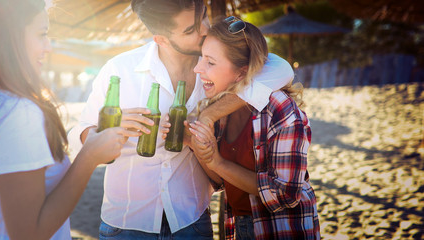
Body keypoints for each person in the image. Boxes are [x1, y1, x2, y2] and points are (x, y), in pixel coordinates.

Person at [67, 0, 294, 239]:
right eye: (190, 30)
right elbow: (80, 134)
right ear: (161, 39)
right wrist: (110, 128)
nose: (205, 30)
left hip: (192, 221)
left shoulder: (216, 68)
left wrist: (209, 115)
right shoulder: (119, 69)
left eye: (204, 17)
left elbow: (281, 69)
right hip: (126, 223)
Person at [0, 0, 142, 239]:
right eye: (42, 34)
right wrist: (88, 156)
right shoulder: (17, 114)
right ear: (10, 39)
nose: (48, 46)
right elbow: (28, 234)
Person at [185, 17, 321, 239]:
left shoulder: (279, 109)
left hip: (280, 228)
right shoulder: (219, 108)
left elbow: (286, 194)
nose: (197, 68)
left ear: (242, 72)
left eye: (210, 62)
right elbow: (220, 181)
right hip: (237, 225)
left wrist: (217, 162)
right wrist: (196, 145)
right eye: (201, 58)